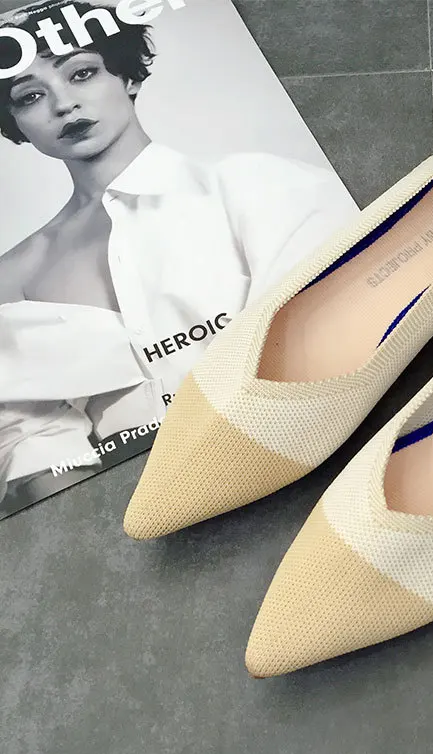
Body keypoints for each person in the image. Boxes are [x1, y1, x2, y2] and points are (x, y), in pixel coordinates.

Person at [0, 1, 356, 513]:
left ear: (126, 76)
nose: (63, 104)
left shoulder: (264, 186)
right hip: (123, 509)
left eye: (82, 73)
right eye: (30, 96)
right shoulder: (13, 275)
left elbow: (318, 341)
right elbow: (29, 442)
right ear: (15, 121)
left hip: (312, 459)